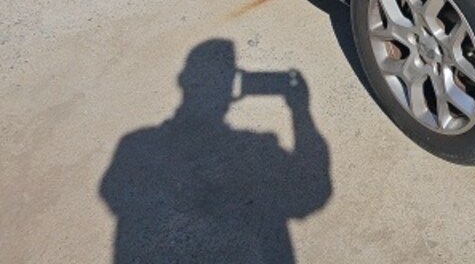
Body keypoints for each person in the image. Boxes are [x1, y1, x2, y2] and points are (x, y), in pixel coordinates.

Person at [100, 39, 331, 263]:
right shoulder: (254, 150)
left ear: (183, 80)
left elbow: (115, 195)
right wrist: (300, 112)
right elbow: (312, 192)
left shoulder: (136, 146)